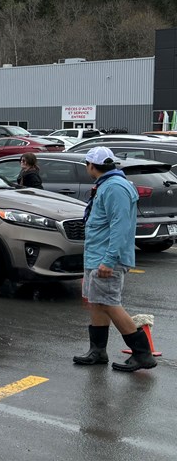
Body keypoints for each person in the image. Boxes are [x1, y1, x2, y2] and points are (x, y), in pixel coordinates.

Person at [74, 147, 156, 371]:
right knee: (97, 302)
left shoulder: (115, 187)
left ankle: (142, 354)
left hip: (107, 258)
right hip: (97, 255)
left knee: (109, 303)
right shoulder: (107, 184)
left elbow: (120, 227)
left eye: (87, 164)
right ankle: (97, 351)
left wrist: (109, 261)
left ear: (91, 165)